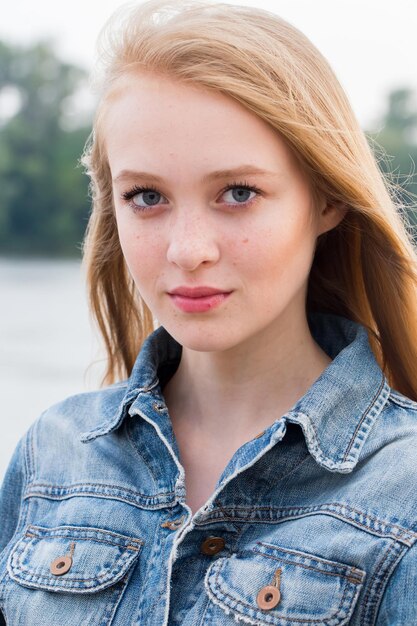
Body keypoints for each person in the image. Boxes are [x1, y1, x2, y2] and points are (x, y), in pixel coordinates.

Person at [1, 0, 417, 623]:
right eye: (146, 197)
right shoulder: (53, 453)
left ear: (327, 199)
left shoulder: (405, 487)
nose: (187, 250)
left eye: (238, 193)